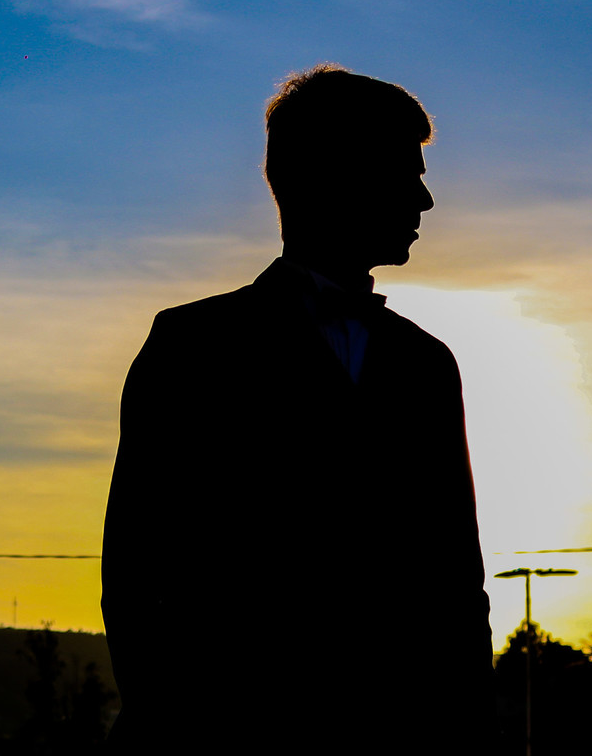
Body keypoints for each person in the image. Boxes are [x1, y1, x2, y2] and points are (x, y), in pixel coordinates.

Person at [101, 65, 494, 753]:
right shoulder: (193, 346)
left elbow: (457, 587)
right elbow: (136, 571)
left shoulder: (426, 366)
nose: (425, 200)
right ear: (336, 176)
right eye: (406, 174)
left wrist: (468, 741)